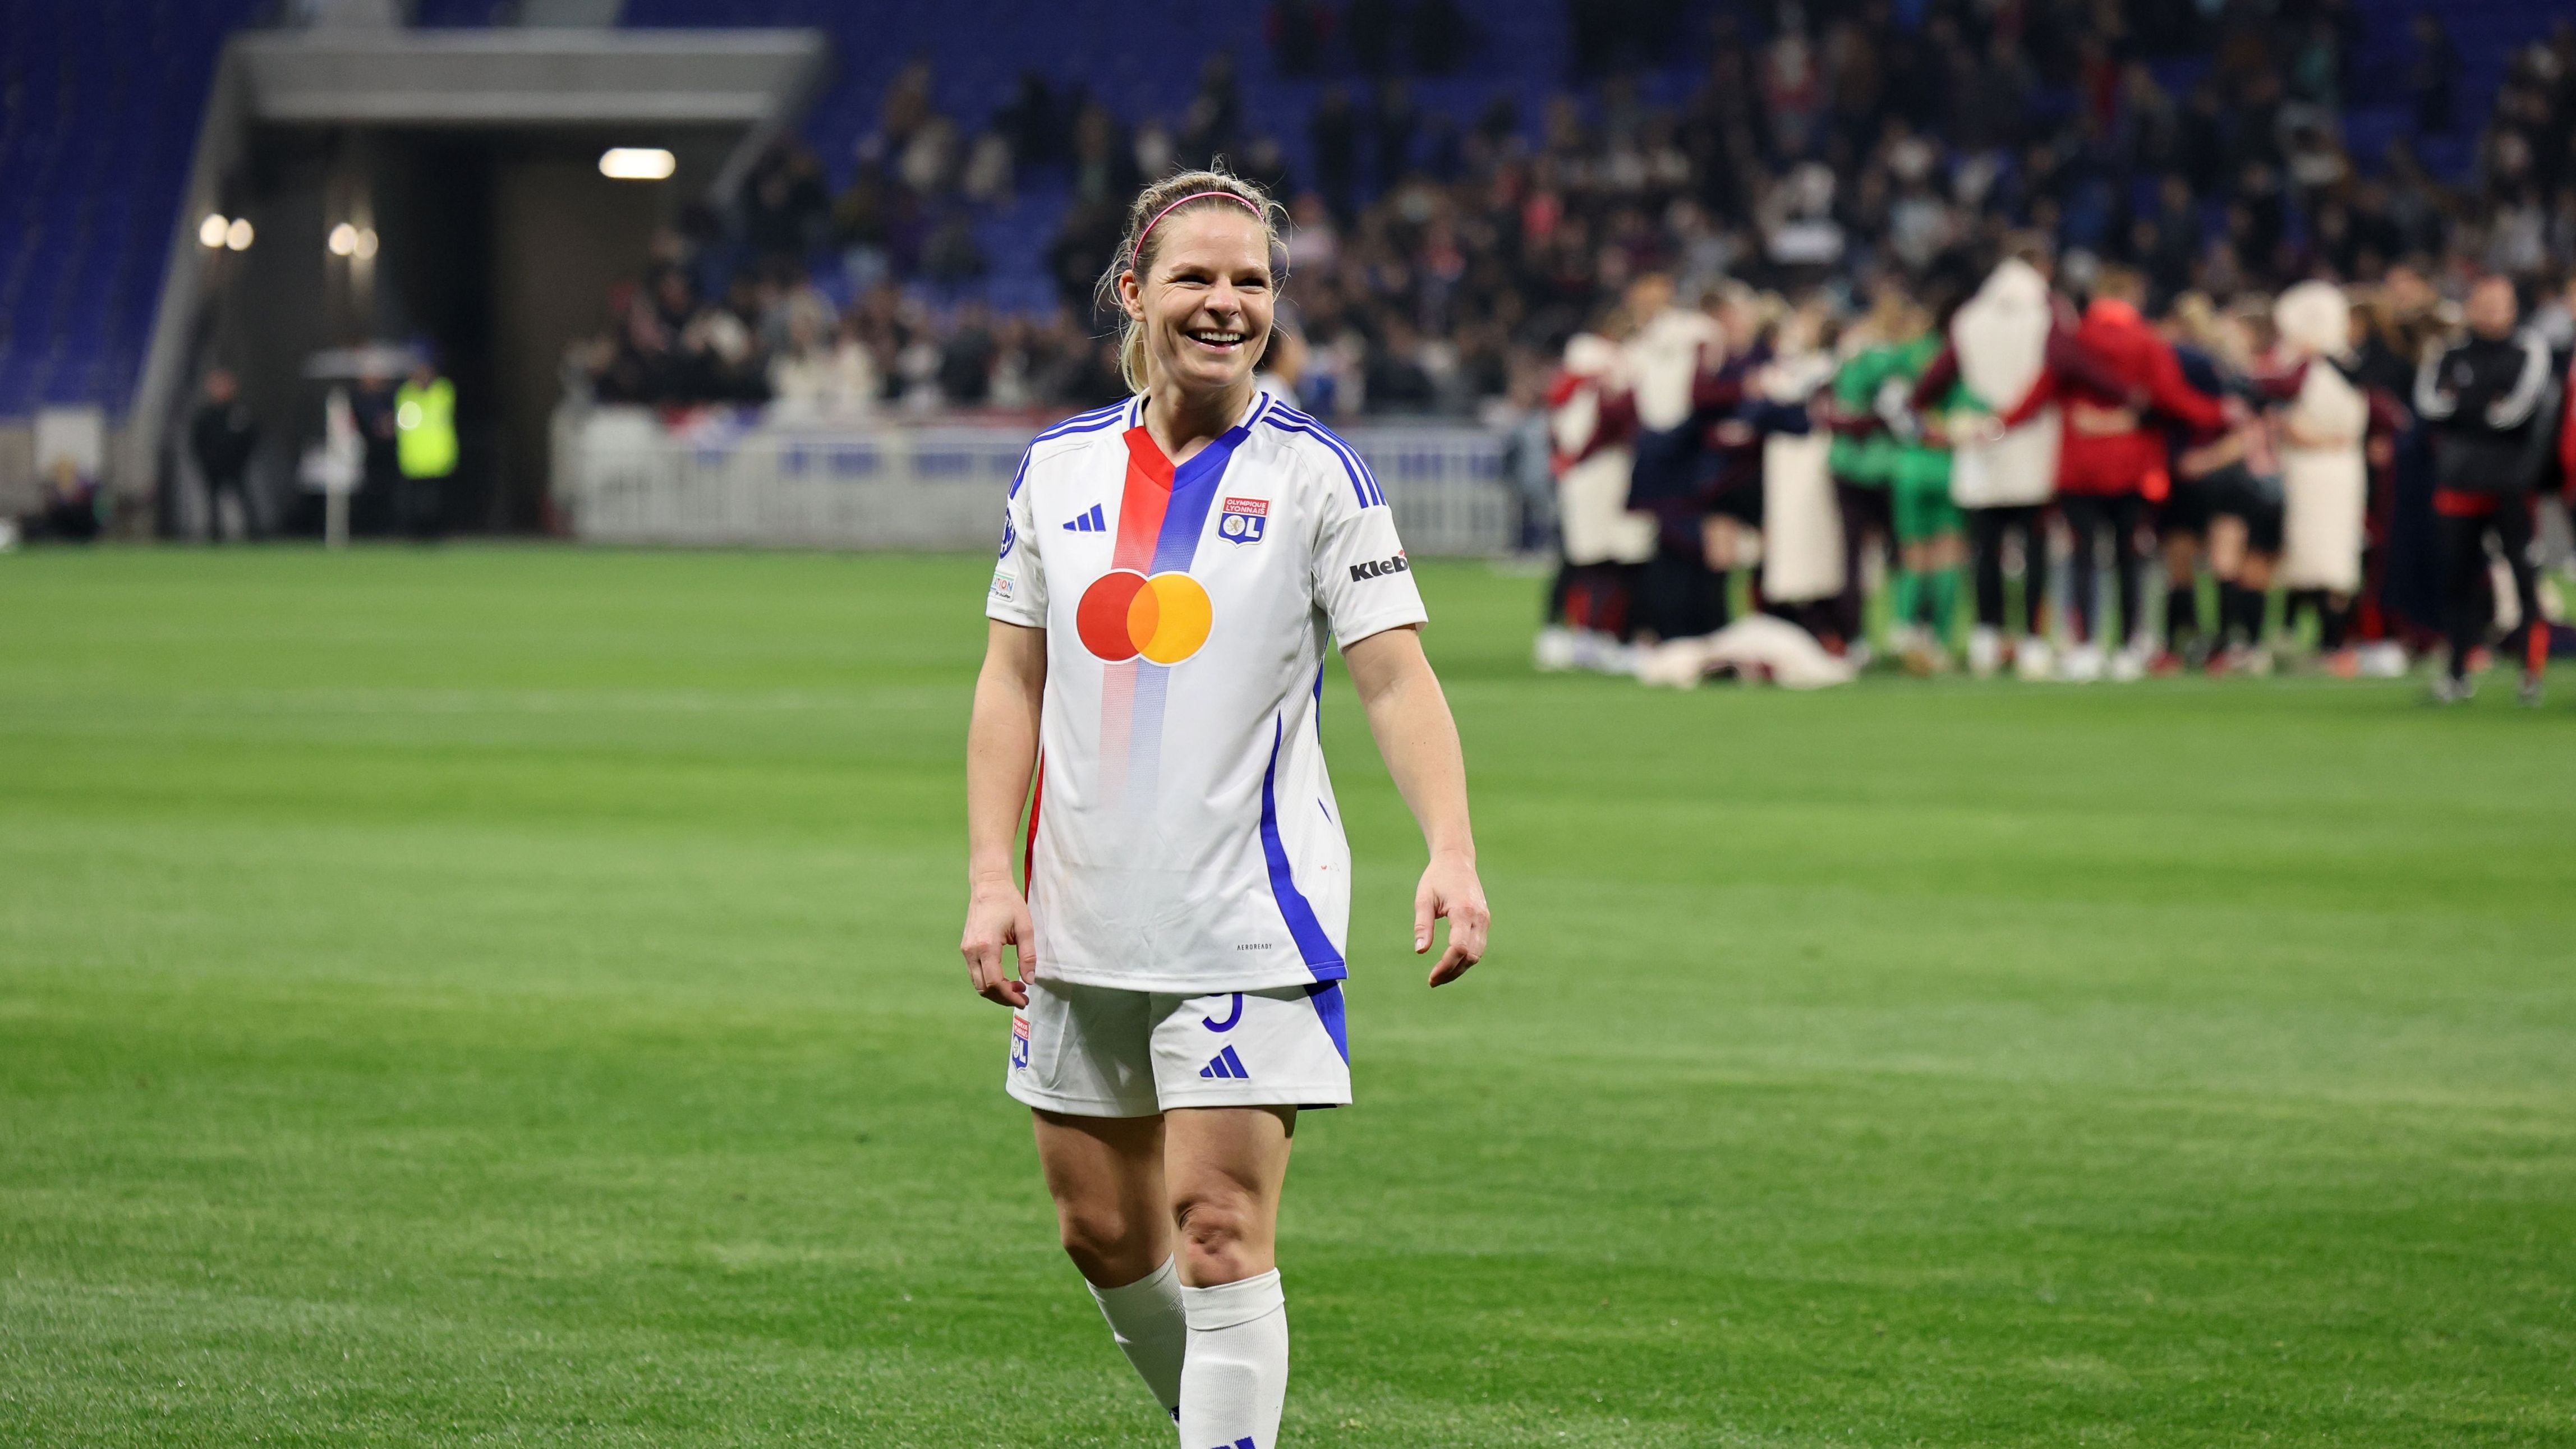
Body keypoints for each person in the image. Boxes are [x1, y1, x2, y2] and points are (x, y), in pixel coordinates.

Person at [960, 168, 1491, 1449]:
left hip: (1250, 915)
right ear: (1134, 296)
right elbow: (1009, 681)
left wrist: (1452, 853)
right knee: (1104, 1236)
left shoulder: (1318, 477)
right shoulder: (1058, 468)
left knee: (1216, 1231)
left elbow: (1394, 676)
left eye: (1250, 281)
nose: (1225, 304)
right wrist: (992, 875)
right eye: (1196, 279)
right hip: (1083, 913)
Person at [2414, 274, 2556, 704]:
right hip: (2459, 481)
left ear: (2513, 307)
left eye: (2500, 303)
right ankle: (2457, 672)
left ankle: (2531, 675)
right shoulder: (2449, 351)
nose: (2491, 311)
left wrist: (2465, 404)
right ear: (2471, 306)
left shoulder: (2528, 349)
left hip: (2512, 483)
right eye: (2484, 302)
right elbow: (2430, 405)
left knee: (2524, 575)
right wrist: (2478, 403)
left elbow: (2514, 411)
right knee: (2458, 578)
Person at [2267, 282, 2373, 669]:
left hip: (2338, 468)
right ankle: (2292, 637)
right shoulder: (2292, 367)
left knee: (2335, 559)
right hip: (2308, 467)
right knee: (2301, 557)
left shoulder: (2345, 366)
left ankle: (2331, 641)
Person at [190, 369, 260, 542]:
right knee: (212, 504)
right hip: (212, 468)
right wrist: (206, 461)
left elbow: (251, 437)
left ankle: (255, 536)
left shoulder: (239, 412)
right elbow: (196, 442)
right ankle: (214, 538)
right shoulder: (205, 415)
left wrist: (241, 459)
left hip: (236, 466)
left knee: (244, 500)